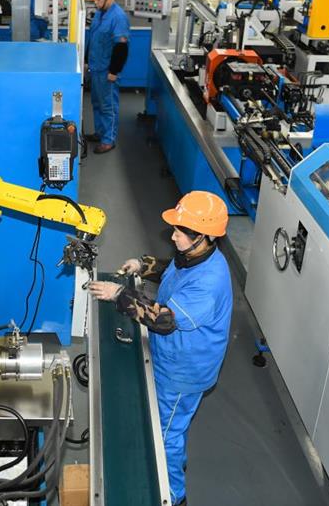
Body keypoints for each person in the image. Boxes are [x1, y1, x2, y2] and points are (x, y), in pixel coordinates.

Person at [88, 191, 233, 506]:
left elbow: (163, 320)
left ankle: (174, 496)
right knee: (169, 426)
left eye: (181, 232)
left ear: (205, 237)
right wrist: (143, 265)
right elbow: (174, 269)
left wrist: (119, 295)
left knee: (166, 436)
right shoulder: (196, 255)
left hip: (182, 372)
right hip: (171, 355)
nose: (173, 235)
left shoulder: (209, 283)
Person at [85, 0, 130, 154]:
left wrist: (114, 71)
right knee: (97, 103)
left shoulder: (118, 17)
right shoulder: (100, 13)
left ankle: (108, 140)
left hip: (107, 71)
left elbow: (121, 47)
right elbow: (93, 38)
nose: (96, 2)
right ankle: (100, 132)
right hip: (96, 67)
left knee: (108, 106)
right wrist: (87, 60)